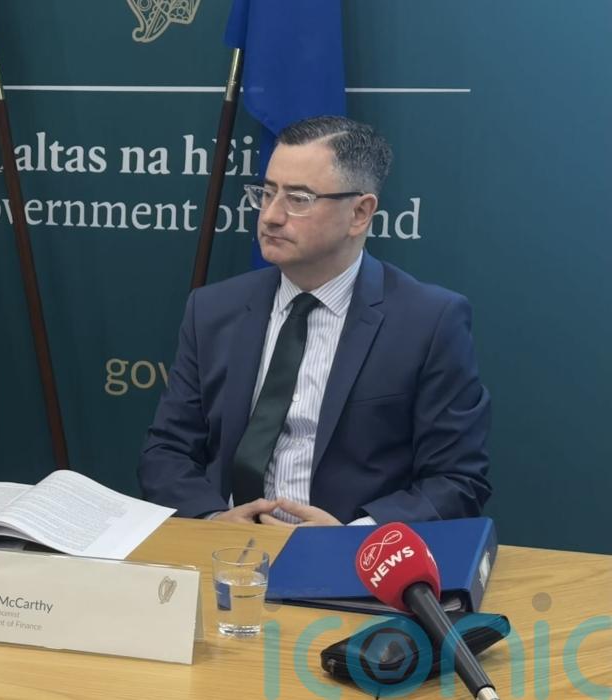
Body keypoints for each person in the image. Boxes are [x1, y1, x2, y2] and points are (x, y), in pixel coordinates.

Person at [139, 116, 491, 526]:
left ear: (360, 213)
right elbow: (166, 452)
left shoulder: (429, 322)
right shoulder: (212, 309)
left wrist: (353, 536)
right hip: (226, 549)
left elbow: (456, 480)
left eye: (298, 198)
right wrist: (215, 519)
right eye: (266, 192)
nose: (271, 216)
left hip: (352, 554)